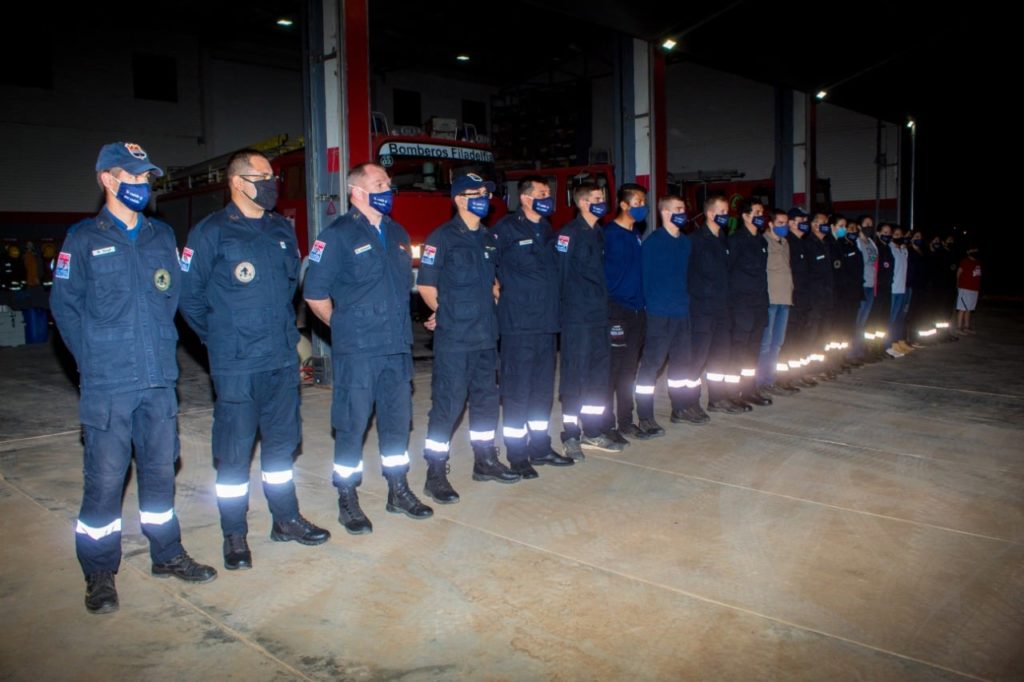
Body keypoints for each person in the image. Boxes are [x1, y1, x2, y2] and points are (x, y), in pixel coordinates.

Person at [52, 142, 217, 614]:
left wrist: (161, 348)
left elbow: (170, 299)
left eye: (147, 179)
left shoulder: (161, 236)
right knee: (104, 480)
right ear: (107, 178)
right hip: (109, 383)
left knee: (161, 472)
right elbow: (66, 309)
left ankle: (167, 554)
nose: (143, 185)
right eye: (134, 177)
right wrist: (97, 361)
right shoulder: (83, 239)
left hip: (158, 381)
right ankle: (100, 570)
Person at [179, 149, 330, 570]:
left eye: (272, 175)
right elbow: (189, 299)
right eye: (261, 176)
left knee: (282, 447)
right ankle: (234, 534)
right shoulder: (210, 233)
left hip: (280, 358)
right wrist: (222, 339)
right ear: (238, 183)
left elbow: (287, 288)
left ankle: (285, 519)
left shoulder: (281, 228)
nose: (271, 183)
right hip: (237, 363)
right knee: (233, 452)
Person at [303, 162, 433, 535]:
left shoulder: (397, 233)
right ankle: (348, 497)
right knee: (351, 425)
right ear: (357, 191)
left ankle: (398, 490)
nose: (387, 189)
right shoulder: (337, 235)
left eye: (389, 184)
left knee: (396, 423)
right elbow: (314, 295)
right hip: (358, 351)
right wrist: (345, 327)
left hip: (396, 348)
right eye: (379, 183)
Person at [417, 173, 519, 503]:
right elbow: (427, 286)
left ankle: (485, 460)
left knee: (487, 401)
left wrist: (495, 296)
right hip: (456, 339)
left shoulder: (488, 238)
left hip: (486, 335)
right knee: (447, 406)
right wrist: (445, 315)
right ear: (460, 199)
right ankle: (435, 472)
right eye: (476, 193)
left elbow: (493, 283)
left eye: (486, 192)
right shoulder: (441, 238)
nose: (483, 198)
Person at [491, 176, 575, 478]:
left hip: (546, 323)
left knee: (541, 390)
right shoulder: (505, 230)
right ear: (525, 198)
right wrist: (495, 287)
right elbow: (487, 264)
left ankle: (540, 447)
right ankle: (517, 454)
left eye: (549, 193)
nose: (548, 197)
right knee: (517, 391)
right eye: (542, 193)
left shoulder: (547, 230)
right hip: (519, 324)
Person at [556, 183, 622, 455]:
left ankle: (592, 431)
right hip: (577, 319)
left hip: (598, 317)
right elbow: (559, 276)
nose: (602, 202)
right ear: (582, 203)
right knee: (575, 377)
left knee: (598, 377)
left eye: (602, 198)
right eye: (597, 199)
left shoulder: (598, 233)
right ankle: (571, 434)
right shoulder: (569, 234)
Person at [633, 195, 692, 433]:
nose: (683, 213)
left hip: (682, 312)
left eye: (684, 208)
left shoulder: (686, 242)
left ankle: (679, 408)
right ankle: (645, 415)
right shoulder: (653, 244)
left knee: (681, 364)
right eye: (678, 209)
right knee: (652, 365)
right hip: (659, 314)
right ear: (665, 213)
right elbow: (644, 280)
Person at [603, 184, 648, 443]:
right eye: (638, 201)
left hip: (636, 311)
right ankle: (607, 425)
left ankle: (626, 421)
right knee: (613, 369)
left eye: (643, 201)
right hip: (616, 310)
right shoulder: (609, 234)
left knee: (629, 370)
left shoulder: (636, 234)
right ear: (623, 204)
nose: (642, 206)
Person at [686, 195, 738, 415]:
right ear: (709, 213)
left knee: (720, 355)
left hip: (722, 309)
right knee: (698, 357)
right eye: (722, 212)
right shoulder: (695, 241)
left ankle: (717, 399)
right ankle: (689, 403)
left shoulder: (724, 239)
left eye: (727, 212)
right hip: (702, 310)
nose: (726, 216)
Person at [727, 199, 771, 406]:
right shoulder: (735, 241)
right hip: (742, 304)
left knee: (753, 349)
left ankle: (749, 389)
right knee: (739, 350)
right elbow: (729, 272)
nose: (761, 216)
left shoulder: (762, 241)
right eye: (756, 212)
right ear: (745, 216)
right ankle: (733, 393)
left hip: (759, 303)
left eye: (762, 212)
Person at [756, 208, 797, 396]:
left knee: (777, 342)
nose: (784, 226)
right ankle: (759, 381)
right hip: (770, 299)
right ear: (770, 224)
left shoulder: (786, 243)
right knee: (765, 343)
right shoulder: (762, 241)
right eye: (780, 223)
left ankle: (770, 379)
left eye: (786, 223)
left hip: (785, 299)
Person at [956, 247, 981, 334]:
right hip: (965, 288)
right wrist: (958, 286)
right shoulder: (965, 261)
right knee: (962, 308)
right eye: (973, 250)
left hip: (974, 289)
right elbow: (958, 273)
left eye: (976, 250)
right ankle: (959, 328)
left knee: (969, 308)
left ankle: (966, 326)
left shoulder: (977, 262)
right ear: (968, 251)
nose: (975, 251)